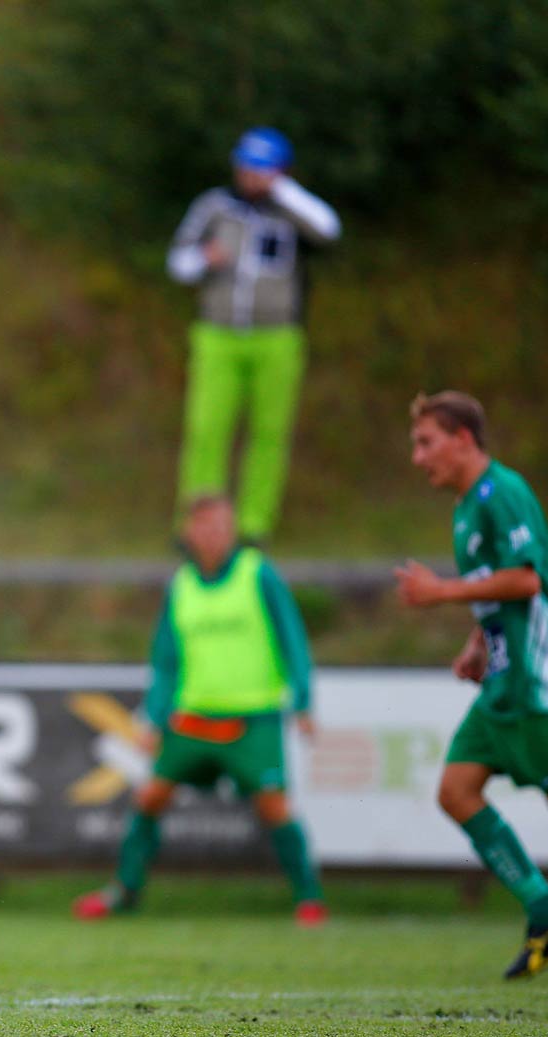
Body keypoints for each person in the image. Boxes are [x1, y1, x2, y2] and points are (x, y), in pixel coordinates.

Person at [74, 494, 325, 923]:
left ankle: (309, 899)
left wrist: (302, 700)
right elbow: (166, 661)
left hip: (253, 719)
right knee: (150, 796)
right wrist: (154, 717)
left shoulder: (257, 575)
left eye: (221, 527)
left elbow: (293, 640)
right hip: (191, 720)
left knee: (274, 806)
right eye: (204, 527)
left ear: (232, 532)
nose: (212, 536)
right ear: (189, 532)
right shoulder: (182, 586)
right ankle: (125, 891)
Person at [395, 390, 548, 979]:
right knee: (455, 790)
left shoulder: (503, 493)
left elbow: (525, 581)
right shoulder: (466, 507)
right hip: (500, 677)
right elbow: (494, 590)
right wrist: (475, 644)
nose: (418, 457)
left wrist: (441, 592)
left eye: (427, 442)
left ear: (463, 439)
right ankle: (545, 908)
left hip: (536, 678)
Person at [168, 127, 341, 543]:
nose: (252, 178)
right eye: (247, 168)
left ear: (281, 173)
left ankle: (253, 525)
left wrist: (282, 190)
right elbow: (178, 262)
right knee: (207, 429)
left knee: (269, 433)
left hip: (277, 337)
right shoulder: (215, 206)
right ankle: (198, 524)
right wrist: (203, 259)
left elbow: (329, 229)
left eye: (263, 170)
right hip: (218, 334)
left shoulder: (291, 211)